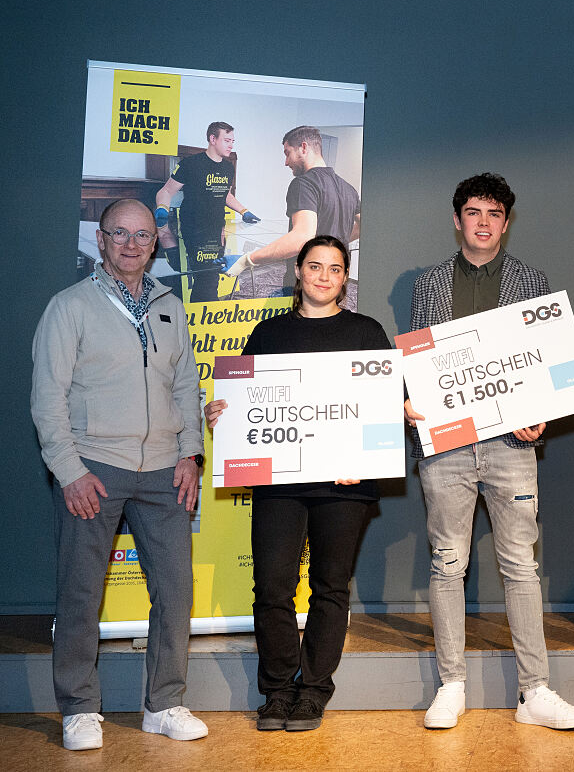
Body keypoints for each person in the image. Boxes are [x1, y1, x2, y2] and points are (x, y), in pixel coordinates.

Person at [405, 173, 574, 731]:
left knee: (520, 566)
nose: (483, 223)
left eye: (493, 214)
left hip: (512, 446)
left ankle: (535, 692)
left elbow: (545, 360)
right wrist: (412, 400)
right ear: (457, 219)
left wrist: (541, 412)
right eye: (473, 212)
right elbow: (420, 359)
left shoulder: (531, 280)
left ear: (506, 224)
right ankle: (451, 686)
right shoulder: (429, 283)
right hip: (447, 447)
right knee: (447, 563)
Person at [31, 199, 209, 750]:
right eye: (120, 234)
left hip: (164, 471)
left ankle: (164, 703)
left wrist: (190, 454)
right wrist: (70, 471)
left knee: (176, 591)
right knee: (80, 594)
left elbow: (186, 387)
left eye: (143, 235)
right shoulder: (69, 307)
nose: (132, 244)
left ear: (155, 243)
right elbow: (47, 399)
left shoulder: (169, 306)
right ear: (101, 240)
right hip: (93, 469)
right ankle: (79, 708)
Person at [204, 236, 390, 732]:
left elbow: (385, 404)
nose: (324, 276)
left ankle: (313, 691)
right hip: (279, 483)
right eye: (315, 266)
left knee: (330, 587)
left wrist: (366, 458)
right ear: (299, 272)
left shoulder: (367, 332)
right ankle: (278, 690)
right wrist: (222, 412)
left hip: (344, 483)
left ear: (344, 278)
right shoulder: (268, 333)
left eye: (335, 268)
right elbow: (243, 403)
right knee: (272, 587)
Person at [226, 126, 361, 308]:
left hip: (307, 285)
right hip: (336, 284)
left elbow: (301, 237)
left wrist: (247, 259)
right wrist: (335, 239)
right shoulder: (348, 188)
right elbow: (363, 226)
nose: (286, 162)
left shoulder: (304, 184)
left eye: (287, 153)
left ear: (303, 147)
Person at [154, 121, 259, 303]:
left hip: (216, 230)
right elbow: (166, 191)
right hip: (194, 230)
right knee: (206, 276)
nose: (231, 145)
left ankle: (200, 312)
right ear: (212, 139)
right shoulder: (190, 164)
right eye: (227, 140)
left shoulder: (228, 168)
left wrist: (244, 211)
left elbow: (225, 195)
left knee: (210, 275)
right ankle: (207, 310)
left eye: (232, 141)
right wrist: (162, 208)